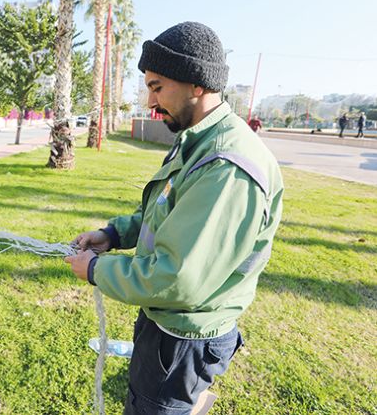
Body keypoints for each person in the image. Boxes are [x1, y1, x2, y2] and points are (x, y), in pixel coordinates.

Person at [64, 22, 284, 414]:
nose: (151, 101)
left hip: (185, 339)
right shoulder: (197, 139)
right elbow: (164, 210)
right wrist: (113, 234)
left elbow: (177, 278)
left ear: (196, 84)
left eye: (157, 86)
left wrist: (96, 270)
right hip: (166, 325)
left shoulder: (227, 167)